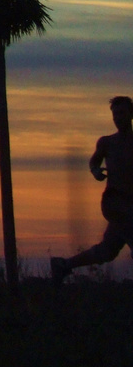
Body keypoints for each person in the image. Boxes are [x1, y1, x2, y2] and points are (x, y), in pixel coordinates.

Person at [51, 95, 133, 284]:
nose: (118, 118)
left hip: (130, 204)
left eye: (122, 113)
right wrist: (95, 171)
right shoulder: (107, 142)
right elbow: (95, 160)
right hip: (116, 203)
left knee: (107, 250)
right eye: (115, 115)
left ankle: (63, 265)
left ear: (131, 114)